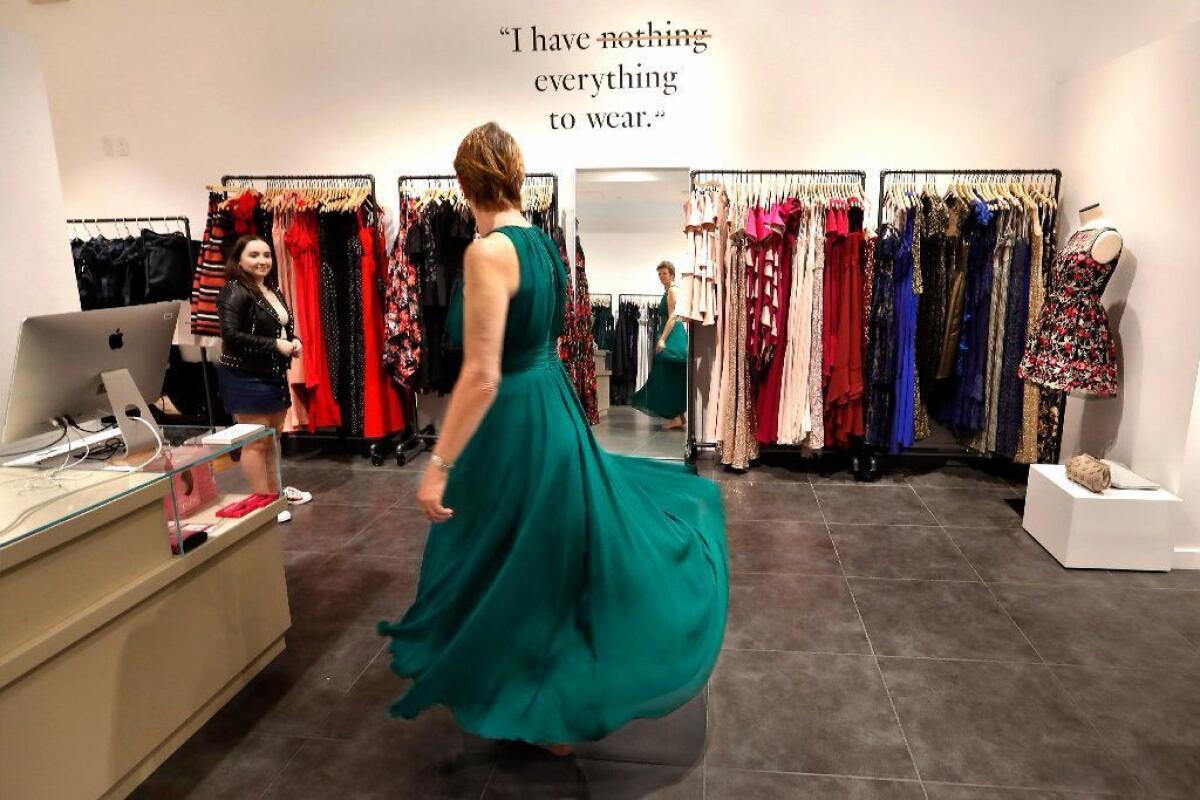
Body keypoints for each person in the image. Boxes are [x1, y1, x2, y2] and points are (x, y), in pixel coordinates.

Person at [377, 123, 728, 755]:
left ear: (464, 183)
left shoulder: (487, 251)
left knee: (506, 549)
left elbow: (481, 375)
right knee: (542, 549)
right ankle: (553, 701)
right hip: (553, 403)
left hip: (511, 415)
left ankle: (538, 697)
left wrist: (439, 461)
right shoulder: (542, 245)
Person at [216, 234, 312, 521]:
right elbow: (231, 334)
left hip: (272, 373)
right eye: (254, 255)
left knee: (273, 438)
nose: (262, 261)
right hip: (245, 376)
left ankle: (276, 493)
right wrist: (274, 345)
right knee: (255, 441)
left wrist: (293, 340)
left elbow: (279, 327)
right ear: (239, 260)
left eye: (267, 255)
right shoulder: (234, 291)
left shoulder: (270, 289)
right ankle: (265, 501)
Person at [631, 260, 689, 430]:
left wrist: (663, 339)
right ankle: (678, 416)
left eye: (664, 273)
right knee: (670, 374)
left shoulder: (672, 290)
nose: (662, 276)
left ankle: (676, 415)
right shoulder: (668, 291)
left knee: (665, 372)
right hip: (671, 332)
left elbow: (673, 316)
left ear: (672, 274)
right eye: (659, 274)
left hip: (673, 333)